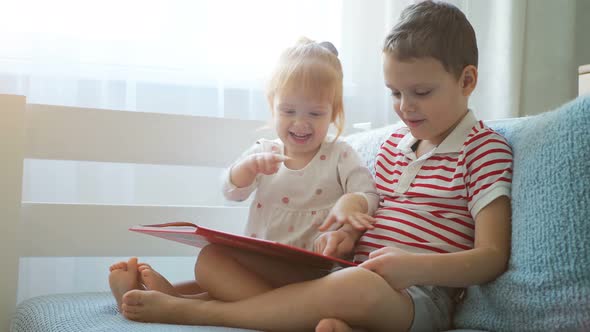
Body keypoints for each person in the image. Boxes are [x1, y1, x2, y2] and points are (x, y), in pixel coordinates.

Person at [117, 1, 514, 331]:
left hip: (417, 296)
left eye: (421, 92)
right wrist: (344, 226)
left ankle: (194, 310)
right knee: (213, 259)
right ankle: (314, 320)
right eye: (395, 92)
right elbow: (366, 209)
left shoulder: (484, 150)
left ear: (466, 80)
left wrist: (411, 268)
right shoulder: (395, 143)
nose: (405, 107)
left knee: (355, 287)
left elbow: (491, 256)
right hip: (341, 274)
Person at [108, 38, 379, 310]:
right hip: (261, 263)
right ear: (272, 106)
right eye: (288, 111)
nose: (301, 122)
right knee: (215, 273)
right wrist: (247, 169)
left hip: (309, 270)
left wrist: (354, 202)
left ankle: (173, 302)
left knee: (210, 262)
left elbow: (368, 193)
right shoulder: (264, 151)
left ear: (334, 113)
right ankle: (155, 297)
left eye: (315, 113)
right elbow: (231, 190)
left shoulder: (339, 154)